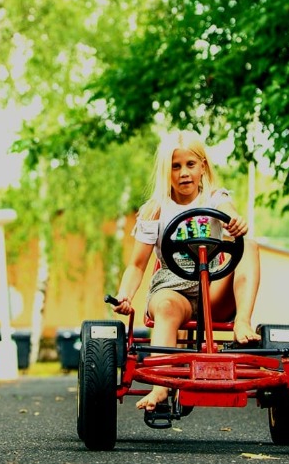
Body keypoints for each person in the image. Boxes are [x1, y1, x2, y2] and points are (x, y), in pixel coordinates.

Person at [110, 131, 261, 412]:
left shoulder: (215, 198)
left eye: (190, 165)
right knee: (166, 306)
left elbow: (228, 211)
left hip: (212, 286)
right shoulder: (156, 209)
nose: (184, 174)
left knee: (248, 246)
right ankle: (160, 387)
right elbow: (137, 264)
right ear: (166, 172)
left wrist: (234, 222)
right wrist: (124, 295)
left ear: (202, 166)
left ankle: (243, 321)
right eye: (175, 167)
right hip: (172, 286)